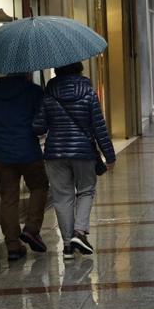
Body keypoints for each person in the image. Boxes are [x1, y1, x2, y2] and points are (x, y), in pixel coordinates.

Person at [34, 62, 116, 259]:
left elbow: (39, 127)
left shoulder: (48, 94)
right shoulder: (88, 92)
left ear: (56, 71)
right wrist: (109, 155)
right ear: (80, 70)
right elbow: (99, 127)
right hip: (83, 152)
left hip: (55, 153)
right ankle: (79, 232)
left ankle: (68, 246)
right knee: (86, 190)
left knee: (62, 197)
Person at [0, 73, 48, 261]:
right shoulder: (33, 91)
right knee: (39, 187)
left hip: (2, 155)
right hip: (29, 152)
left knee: (8, 197)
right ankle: (31, 228)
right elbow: (41, 125)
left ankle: (13, 245)